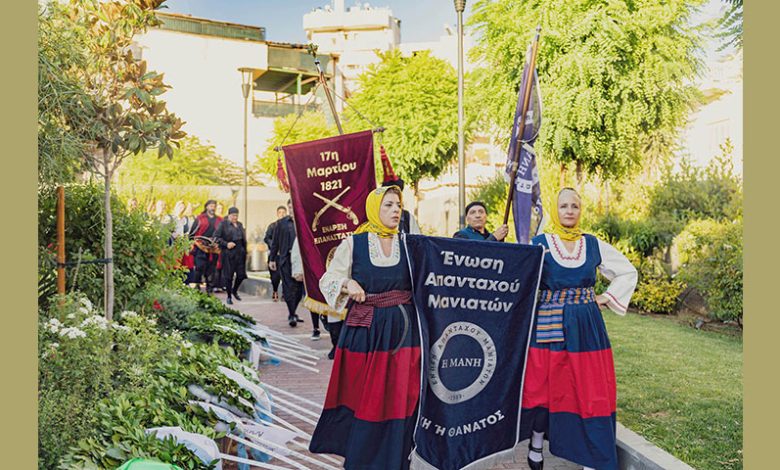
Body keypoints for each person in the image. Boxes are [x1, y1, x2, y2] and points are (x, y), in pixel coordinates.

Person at [521, 187, 638, 470]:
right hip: (548, 323)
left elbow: (627, 271)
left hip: (586, 325)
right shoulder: (540, 244)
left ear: (580, 210)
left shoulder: (593, 244)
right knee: (543, 386)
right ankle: (536, 445)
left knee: (590, 388)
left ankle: (592, 456)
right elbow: (518, 276)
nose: (570, 210)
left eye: (574, 205)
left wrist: (605, 298)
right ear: (555, 209)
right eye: (564, 206)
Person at [309, 186, 420, 469]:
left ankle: (397, 457)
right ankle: (362, 458)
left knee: (401, 396)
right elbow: (328, 279)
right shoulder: (353, 244)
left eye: (398, 205)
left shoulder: (410, 244)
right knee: (363, 396)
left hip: (402, 331)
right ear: (374, 209)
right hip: (366, 330)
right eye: (388, 205)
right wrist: (348, 284)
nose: (396, 210)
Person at [268, 199, 304, 327]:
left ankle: (293, 311)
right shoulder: (281, 223)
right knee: (288, 288)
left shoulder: (304, 220)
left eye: (293, 207)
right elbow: (275, 242)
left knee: (299, 289)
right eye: (289, 208)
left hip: (301, 261)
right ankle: (291, 314)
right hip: (285, 259)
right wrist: (272, 259)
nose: (291, 210)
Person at [214, 207, 248, 305]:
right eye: (233, 215)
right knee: (228, 277)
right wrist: (226, 244)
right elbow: (216, 237)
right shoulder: (223, 224)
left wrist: (245, 251)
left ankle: (234, 290)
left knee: (241, 275)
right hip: (229, 253)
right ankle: (229, 296)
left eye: (236, 215)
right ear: (229, 215)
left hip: (240, 252)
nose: (235, 217)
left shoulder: (240, 224)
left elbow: (243, 239)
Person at [188, 199, 223, 294]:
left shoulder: (220, 220)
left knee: (211, 269)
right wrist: (194, 244)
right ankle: (197, 286)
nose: (213, 208)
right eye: (211, 206)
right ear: (207, 207)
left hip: (213, 248)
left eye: (214, 206)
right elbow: (192, 234)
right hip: (201, 247)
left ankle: (209, 288)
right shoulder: (199, 219)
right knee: (199, 267)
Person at [263, 205, 288, 302]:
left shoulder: (290, 225)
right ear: (277, 214)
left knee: (285, 275)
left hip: (285, 255)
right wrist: (274, 246)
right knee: (275, 276)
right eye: (280, 213)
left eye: (283, 212)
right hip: (275, 255)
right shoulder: (273, 226)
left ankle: (285, 294)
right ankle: (275, 291)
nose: (282, 214)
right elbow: (266, 238)